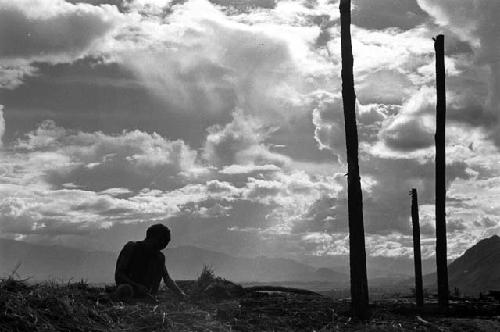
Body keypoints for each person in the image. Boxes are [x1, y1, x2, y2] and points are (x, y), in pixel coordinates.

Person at [114, 224, 186, 300]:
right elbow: (119, 274)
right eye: (161, 241)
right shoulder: (132, 248)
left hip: (148, 295)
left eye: (165, 243)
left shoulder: (159, 257)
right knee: (125, 289)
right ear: (152, 238)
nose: (163, 246)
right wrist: (136, 286)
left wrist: (180, 293)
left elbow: (166, 278)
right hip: (128, 292)